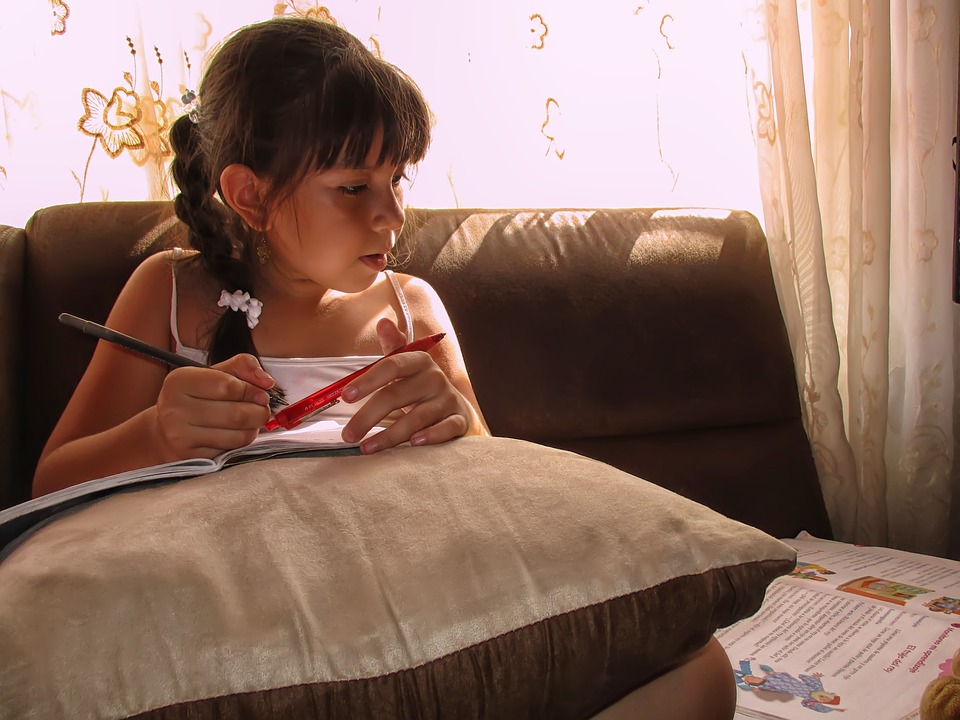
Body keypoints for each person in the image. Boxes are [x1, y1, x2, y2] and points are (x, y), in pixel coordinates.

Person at [32, 17, 489, 498]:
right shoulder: (169, 292)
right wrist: (155, 436)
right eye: (354, 188)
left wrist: (460, 420)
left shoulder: (411, 308)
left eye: (396, 179)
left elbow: (494, 473)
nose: (393, 215)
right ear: (251, 195)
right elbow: (50, 484)